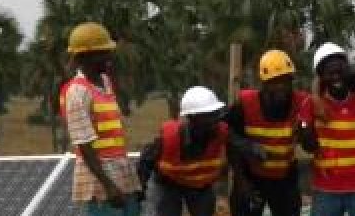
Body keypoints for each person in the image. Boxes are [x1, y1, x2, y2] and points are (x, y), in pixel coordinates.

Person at [61, 22, 141, 216]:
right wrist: (109, 186)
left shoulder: (105, 82)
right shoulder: (77, 92)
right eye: (103, 53)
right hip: (101, 179)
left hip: (121, 171)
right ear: (85, 57)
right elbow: (85, 145)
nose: (109, 58)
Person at [138, 86, 256, 216]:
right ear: (192, 118)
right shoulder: (169, 138)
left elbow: (239, 143)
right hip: (167, 184)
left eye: (216, 115)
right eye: (209, 116)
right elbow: (145, 161)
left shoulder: (220, 131)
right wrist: (144, 191)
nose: (215, 121)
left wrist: (254, 149)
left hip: (200, 186)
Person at [226, 49, 309, 216]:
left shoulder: (302, 102)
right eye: (275, 81)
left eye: (286, 81)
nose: (282, 87)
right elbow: (229, 139)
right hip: (251, 177)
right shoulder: (245, 104)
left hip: (285, 178)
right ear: (263, 83)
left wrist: (305, 129)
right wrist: (242, 182)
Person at [299, 43, 355, 216]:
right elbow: (307, 141)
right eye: (330, 73)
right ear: (321, 76)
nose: (336, 77)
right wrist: (305, 127)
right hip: (326, 188)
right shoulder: (311, 104)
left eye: (340, 71)